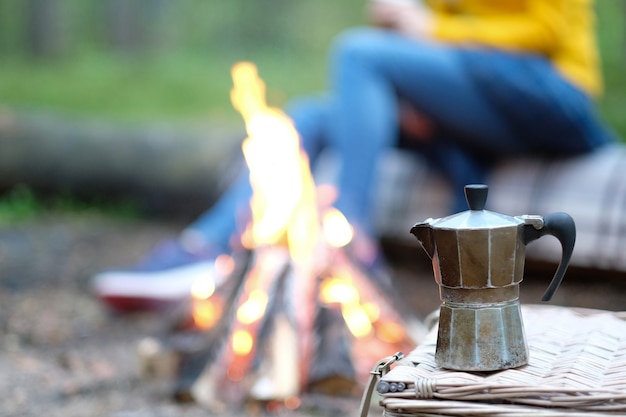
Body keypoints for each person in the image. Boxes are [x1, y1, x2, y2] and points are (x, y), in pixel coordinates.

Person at [93, 0, 616, 313]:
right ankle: (206, 247)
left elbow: (545, 30)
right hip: (480, 116)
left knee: (358, 50)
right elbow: (433, 56)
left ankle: (348, 243)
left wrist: (428, 30)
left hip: (556, 96)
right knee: (308, 117)